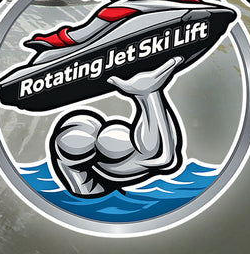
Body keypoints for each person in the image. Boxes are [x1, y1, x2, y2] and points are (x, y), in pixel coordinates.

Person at [49, 56, 183, 197]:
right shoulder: (82, 146)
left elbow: (162, 159)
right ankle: (147, 94)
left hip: (94, 190)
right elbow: (160, 159)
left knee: (157, 158)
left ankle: (147, 94)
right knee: (156, 158)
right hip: (90, 180)